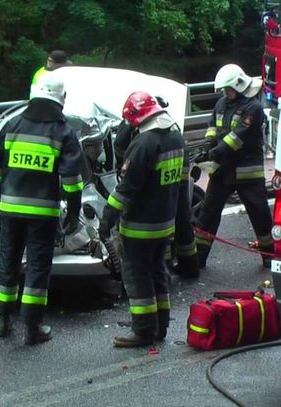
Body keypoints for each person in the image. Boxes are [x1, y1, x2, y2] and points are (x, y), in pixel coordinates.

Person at [0, 72, 84, 345]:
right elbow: (72, 181)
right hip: (42, 214)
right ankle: (32, 327)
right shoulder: (63, 132)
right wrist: (74, 213)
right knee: (38, 267)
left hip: (10, 209)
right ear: (60, 99)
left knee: (8, 261)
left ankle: (3, 320)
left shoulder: (13, 124)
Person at [99, 91, 185, 347]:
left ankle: (144, 330)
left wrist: (107, 220)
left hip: (139, 226)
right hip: (164, 223)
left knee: (137, 277)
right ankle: (161, 324)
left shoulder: (144, 144)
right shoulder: (175, 137)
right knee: (158, 272)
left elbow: (126, 189)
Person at [194, 64, 273, 269]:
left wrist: (213, 152)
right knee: (208, 213)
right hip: (222, 170)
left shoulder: (252, 108)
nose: (225, 93)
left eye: (228, 89)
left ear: (239, 85)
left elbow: (237, 138)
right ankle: (197, 258)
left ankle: (268, 256)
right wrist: (207, 143)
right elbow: (212, 126)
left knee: (260, 214)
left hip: (247, 172)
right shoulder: (221, 103)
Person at [113, 100, 199, 278]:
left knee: (168, 222)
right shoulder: (168, 126)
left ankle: (172, 267)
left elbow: (122, 151)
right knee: (178, 221)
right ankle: (182, 266)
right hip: (174, 180)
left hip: (164, 182)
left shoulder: (149, 135)